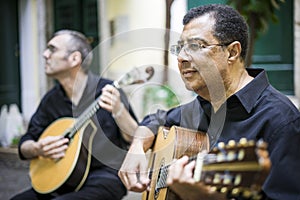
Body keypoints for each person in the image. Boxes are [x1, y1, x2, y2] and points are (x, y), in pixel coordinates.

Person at [118, 4, 300, 200]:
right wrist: (136, 148)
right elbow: (155, 119)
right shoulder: (204, 104)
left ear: (232, 52)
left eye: (195, 46)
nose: (181, 58)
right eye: (180, 48)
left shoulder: (281, 121)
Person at [11, 29, 138, 200]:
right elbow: (25, 144)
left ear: (74, 59)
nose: (44, 54)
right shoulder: (52, 100)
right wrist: (37, 148)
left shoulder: (108, 90)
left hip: (105, 178)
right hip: (61, 179)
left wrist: (119, 110)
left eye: (52, 49)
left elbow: (136, 138)